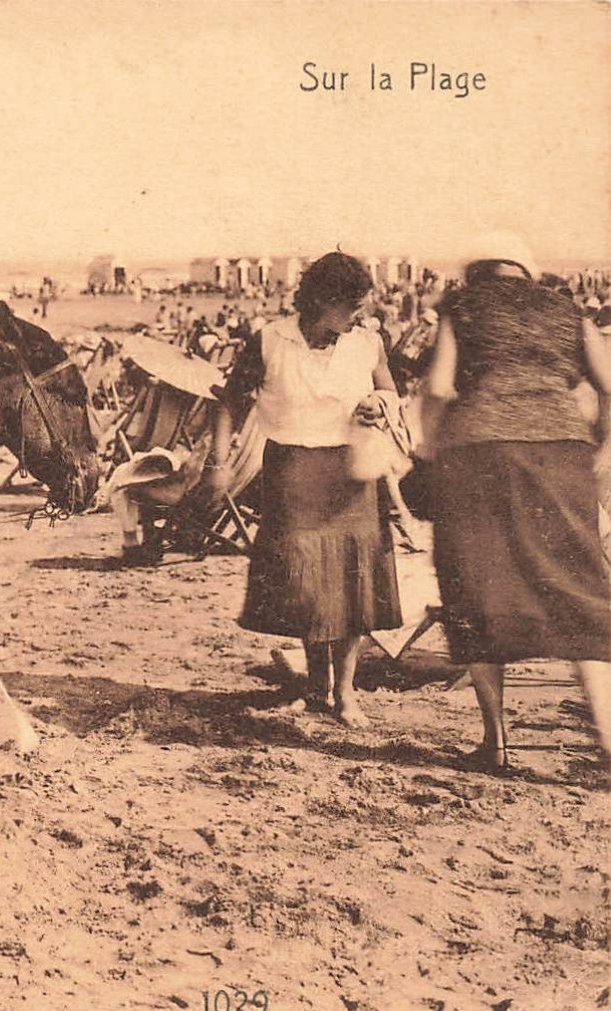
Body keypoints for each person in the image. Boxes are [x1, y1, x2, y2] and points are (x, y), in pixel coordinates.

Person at [419, 233, 611, 774]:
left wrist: (428, 448)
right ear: (527, 274)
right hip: (562, 450)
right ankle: (609, 740)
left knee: (473, 588)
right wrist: (604, 450)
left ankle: (496, 743)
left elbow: (437, 386)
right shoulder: (568, 309)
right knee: (580, 587)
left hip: (477, 452)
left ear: (476, 271)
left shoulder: (461, 305)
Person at [209, 251, 402, 726]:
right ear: (323, 300)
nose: (362, 315)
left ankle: (346, 693)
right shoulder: (270, 341)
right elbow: (229, 404)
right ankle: (318, 684)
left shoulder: (367, 344)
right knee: (308, 584)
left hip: (351, 471)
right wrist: (218, 462)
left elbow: (393, 395)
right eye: (354, 305)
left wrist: (377, 404)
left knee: (353, 585)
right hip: (292, 472)